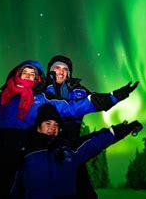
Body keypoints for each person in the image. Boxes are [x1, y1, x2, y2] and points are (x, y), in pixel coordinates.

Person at [0, 59, 139, 199]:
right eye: (25, 72)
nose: (28, 75)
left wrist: (113, 97)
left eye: (33, 74)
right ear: (17, 74)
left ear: (38, 79)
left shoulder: (40, 99)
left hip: (21, 155)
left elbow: (74, 107)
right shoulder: (1, 100)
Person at [11, 103, 143, 199]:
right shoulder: (25, 150)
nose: (52, 127)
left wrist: (125, 128)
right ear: (38, 126)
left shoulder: (70, 148)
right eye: (48, 123)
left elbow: (97, 140)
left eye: (56, 124)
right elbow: (15, 186)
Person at [45, 55, 110, 198]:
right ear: (50, 71)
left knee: (82, 190)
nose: (61, 72)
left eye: (65, 69)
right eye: (57, 68)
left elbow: (96, 100)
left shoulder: (78, 89)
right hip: (45, 148)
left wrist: (114, 97)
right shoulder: (41, 89)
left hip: (72, 146)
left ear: (69, 73)